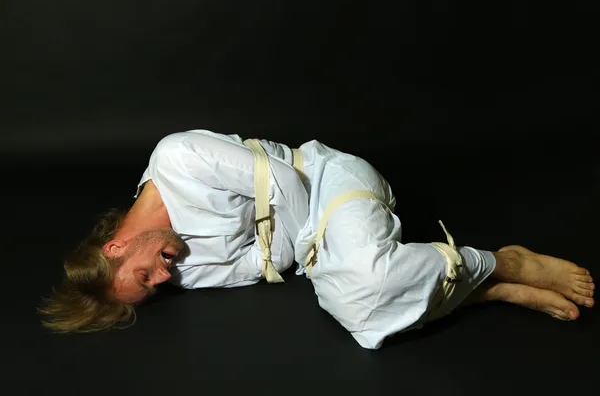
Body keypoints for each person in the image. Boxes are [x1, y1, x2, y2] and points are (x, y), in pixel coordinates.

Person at [39, 129, 595, 349]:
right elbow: (271, 266)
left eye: (145, 275)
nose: (166, 279)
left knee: (365, 284)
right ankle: (487, 290)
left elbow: (286, 185)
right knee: (360, 314)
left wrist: (322, 258)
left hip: (329, 183)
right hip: (317, 249)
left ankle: (498, 262)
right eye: (154, 288)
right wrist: (323, 264)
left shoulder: (177, 158)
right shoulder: (175, 264)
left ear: (115, 246)